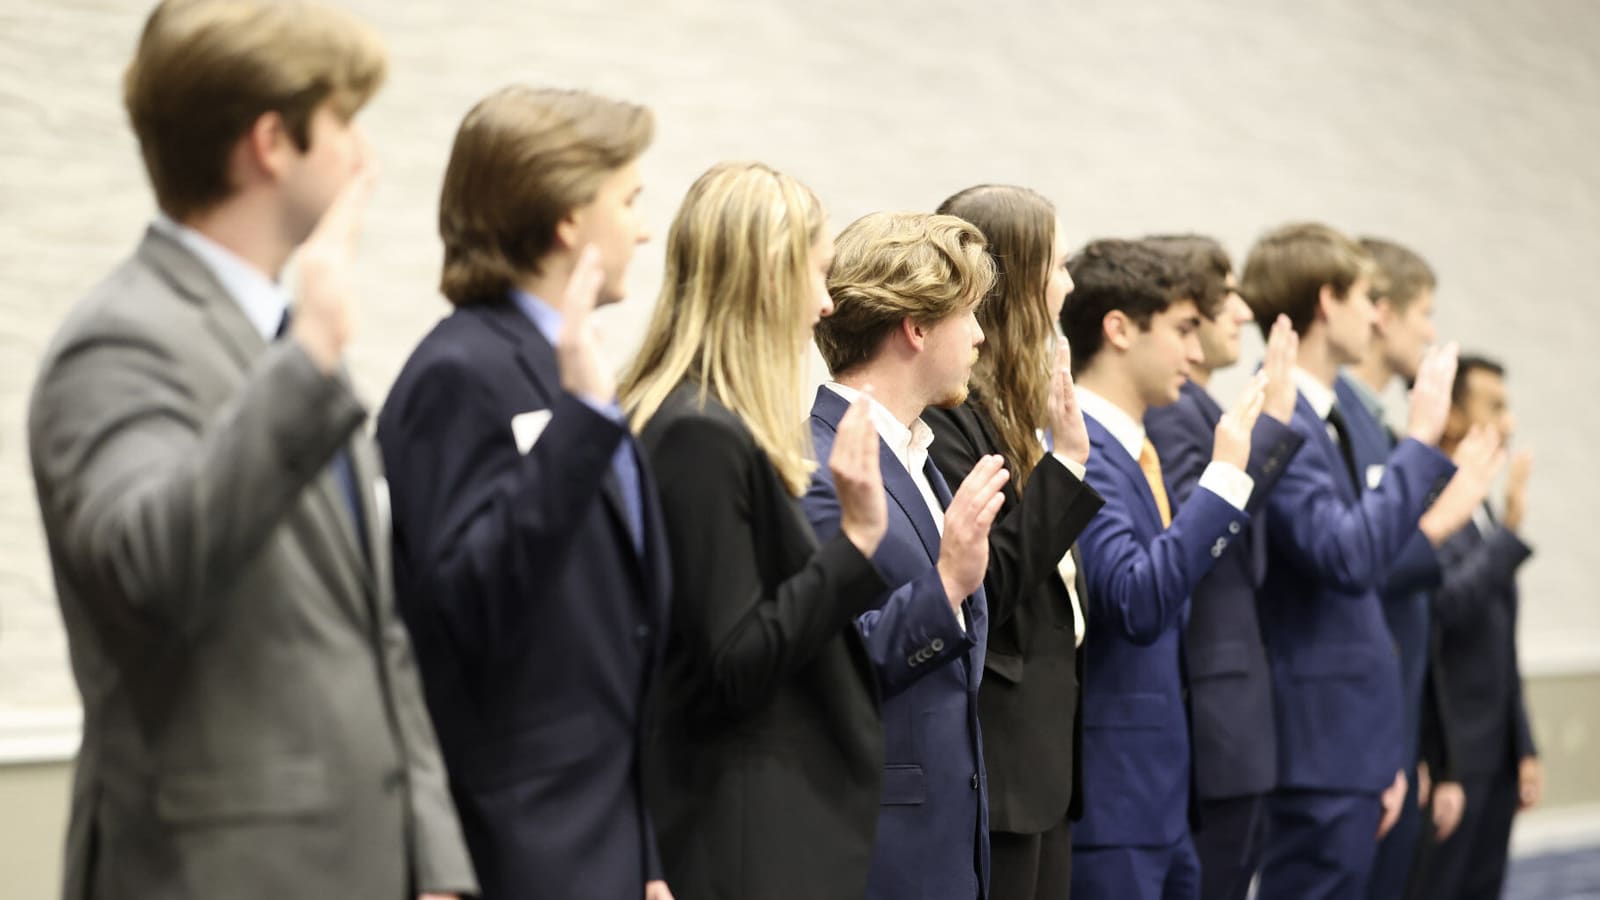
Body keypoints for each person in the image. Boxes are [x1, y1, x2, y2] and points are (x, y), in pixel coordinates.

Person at [25, 1, 475, 897]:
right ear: (272, 142)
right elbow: (147, 568)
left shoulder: (281, 341)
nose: (364, 157)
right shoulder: (118, 342)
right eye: (345, 122)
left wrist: (432, 859)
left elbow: (372, 630)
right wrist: (310, 354)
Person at [375, 87, 671, 900]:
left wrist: (643, 853)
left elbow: (617, 637)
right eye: (630, 200)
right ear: (570, 217)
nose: (644, 228)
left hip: (602, 837)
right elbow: (466, 603)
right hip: (519, 852)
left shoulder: (570, 368)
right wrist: (580, 420)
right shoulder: (458, 373)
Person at [619, 161, 890, 899]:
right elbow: (731, 663)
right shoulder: (700, 436)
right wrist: (857, 543)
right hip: (730, 838)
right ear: (772, 275)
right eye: (819, 274)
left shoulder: (701, 422)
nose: (827, 304)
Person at [1239, 223, 1486, 900]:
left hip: (1350, 741)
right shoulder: (1283, 414)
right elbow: (1347, 557)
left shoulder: (1326, 419)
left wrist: (1383, 755)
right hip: (1317, 743)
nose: (1377, 312)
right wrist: (1425, 441)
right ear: (1328, 302)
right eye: (1366, 296)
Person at [804, 211, 1011, 898]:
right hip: (879, 849)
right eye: (970, 314)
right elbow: (824, 663)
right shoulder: (819, 461)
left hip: (949, 839)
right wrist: (948, 583)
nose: (981, 335)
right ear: (916, 328)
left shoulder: (920, 454)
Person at [1061, 238, 1266, 900]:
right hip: (1114, 804)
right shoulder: (1079, 454)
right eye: (1181, 330)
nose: (1198, 351)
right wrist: (1224, 479)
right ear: (1118, 328)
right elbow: (1136, 599)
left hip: (1162, 800)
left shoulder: (1136, 449)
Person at [925, 185, 1106, 900]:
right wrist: (1065, 468)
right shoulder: (952, 412)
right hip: (997, 761)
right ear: (1020, 277)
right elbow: (987, 585)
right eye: (1057, 266)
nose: (1067, 284)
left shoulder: (1015, 399)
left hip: (1041, 759)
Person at [1142, 235, 1305, 900]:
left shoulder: (1204, 408)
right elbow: (1196, 537)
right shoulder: (1174, 414)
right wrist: (1272, 429)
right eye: (1224, 297)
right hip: (1210, 715)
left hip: (1233, 715)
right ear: (1185, 313)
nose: (1242, 311)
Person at [1335, 237, 1484, 899]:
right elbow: (1354, 570)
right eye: (1423, 313)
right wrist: (1444, 521)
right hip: (1350, 731)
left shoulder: (1386, 432)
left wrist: (1415, 744)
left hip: (1391, 726)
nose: (1430, 331)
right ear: (1381, 312)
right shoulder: (1339, 422)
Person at [1413, 356, 1540, 900]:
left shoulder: (1480, 505)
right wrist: (1509, 533)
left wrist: (1524, 745)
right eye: (1495, 407)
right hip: (1453, 754)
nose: (1508, 423)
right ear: (1454, 415)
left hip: (1495, 751)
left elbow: (1501, 643)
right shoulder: (1425, 497)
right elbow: (1445, 609)